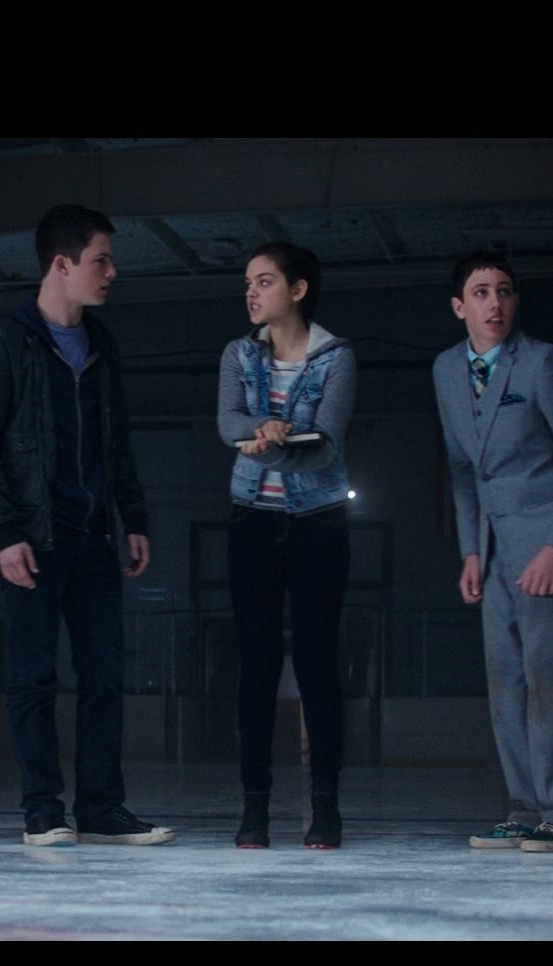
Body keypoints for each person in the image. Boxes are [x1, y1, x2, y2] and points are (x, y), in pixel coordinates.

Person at [0, 204, 174, 847]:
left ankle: (102, 809)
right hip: (35, 541)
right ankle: (42, 809)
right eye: (101, 260)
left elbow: (118, 440)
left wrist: (133, 517)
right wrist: (5, 532)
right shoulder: (6, 342)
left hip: (95, 538)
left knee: (104, 678)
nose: (112, 272)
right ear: (62, 264)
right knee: (33, 678)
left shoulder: (102, 343)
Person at [432, 252, 553, 853]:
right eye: (481, 292)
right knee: (506, 687)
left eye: (505, 291)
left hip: (547, 549)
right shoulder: (446, 370)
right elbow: (463, 470)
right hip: (492, 554)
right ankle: (524, 808)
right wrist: (470, 552)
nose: (495, 303)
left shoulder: (542, 363)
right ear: (459, 307)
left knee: (550, 686)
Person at [216, 243, 356, 849]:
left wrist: (268, 446)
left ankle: (325, 808)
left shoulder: (337, 357)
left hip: (319, 522)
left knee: (318, 665)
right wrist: (262, 429)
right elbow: (227, 422)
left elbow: (325, 445)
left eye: (265, 281)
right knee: (256, 665)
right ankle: (254, 810)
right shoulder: (237, 353)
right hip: (251, 521)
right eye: (248, 282)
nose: (251, 292)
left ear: (298, 290)